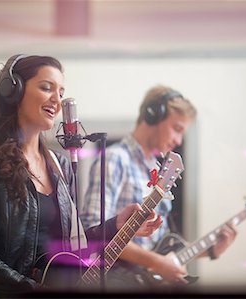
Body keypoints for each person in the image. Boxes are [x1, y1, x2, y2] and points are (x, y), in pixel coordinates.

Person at [0, 54, 163, 298]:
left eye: (61, 92)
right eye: (46, 88)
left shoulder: (61, 165)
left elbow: (71, 246)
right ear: (14, 92)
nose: (57, 100)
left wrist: (114, 225)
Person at [80, 85, 237, 289]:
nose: (179, 140)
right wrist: (156, 262)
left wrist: (211, 250)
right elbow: (93, 232)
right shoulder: (115, 159)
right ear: (153, 116)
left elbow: (161, 248)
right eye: (177, 129)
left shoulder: (158, 171)